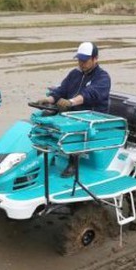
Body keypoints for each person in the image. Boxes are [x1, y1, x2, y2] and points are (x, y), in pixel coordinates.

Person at [36, 41, 111, 177]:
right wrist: (49, 100)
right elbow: (61, 91)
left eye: (85, 60)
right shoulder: (74, 74)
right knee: (45, 115)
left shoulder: (103, 77)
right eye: (79, 60)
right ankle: (45, 152)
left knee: (74, 126)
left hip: (92, 117)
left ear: (95, 59)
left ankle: (73, 163)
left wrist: (70, 102)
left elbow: (90, 94)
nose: (81, 63)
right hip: (72, 113)